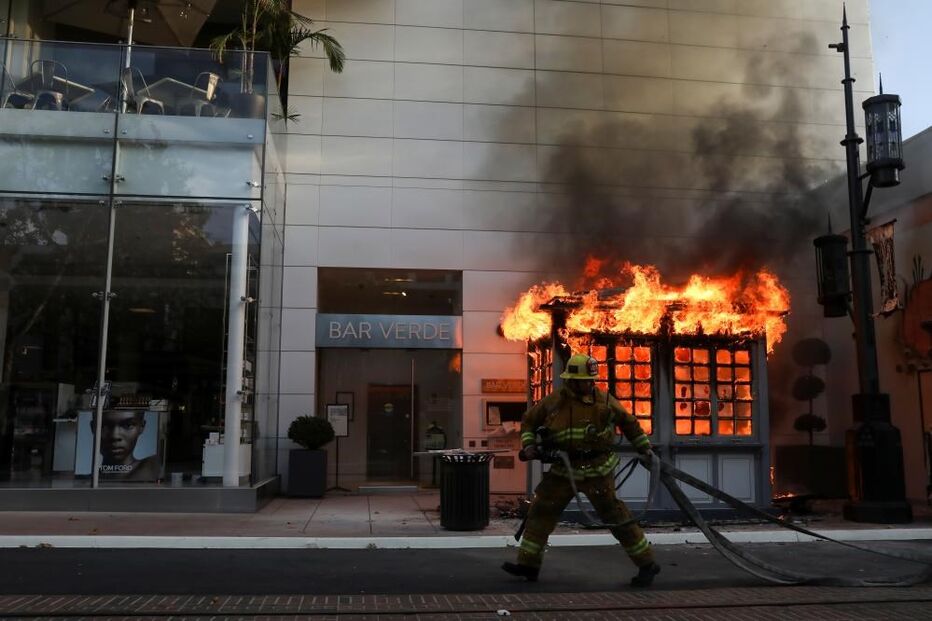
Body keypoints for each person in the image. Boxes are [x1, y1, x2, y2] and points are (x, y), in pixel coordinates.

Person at [502, 353, 661, 588]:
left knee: (616, 517)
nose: (588, 385)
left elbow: (629, 423)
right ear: (571, 381)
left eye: (590, 380)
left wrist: (645, 449)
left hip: (597, 471)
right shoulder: (554, 401)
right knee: (541, 513)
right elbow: (529, 422)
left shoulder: (604, 401)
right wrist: (529, 445)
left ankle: (647, 564)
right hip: (564, 470)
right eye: (583, 381)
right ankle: (528, 565)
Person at [94, 410, 161, 481]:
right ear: (93, 428)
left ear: (141, 426)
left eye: (128, 425)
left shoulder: (153, 466)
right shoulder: (87, 480)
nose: (115, 436)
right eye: (104, 426)